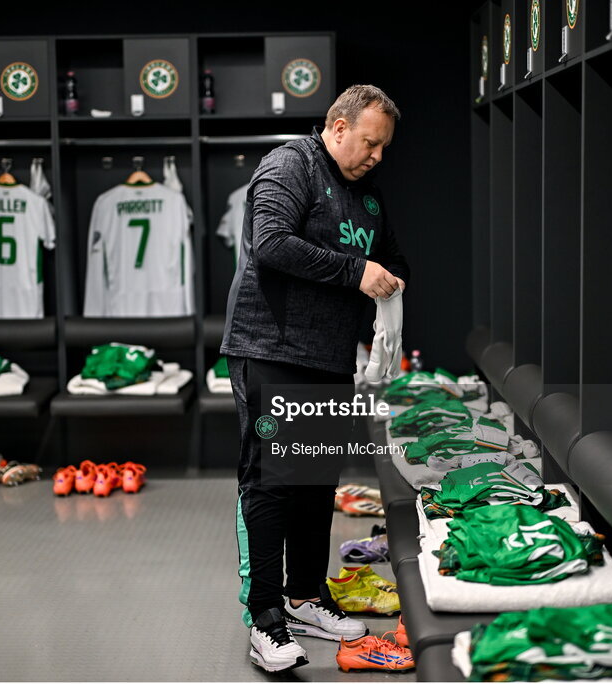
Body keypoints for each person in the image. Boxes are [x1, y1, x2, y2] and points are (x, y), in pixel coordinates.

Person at [220, 84, 409, 672]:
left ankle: (305, 595)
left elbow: (394, 261)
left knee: (314, 481)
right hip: (270, 347)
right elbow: (271, 244)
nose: (376, 156)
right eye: (370, 143)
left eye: (384, 148)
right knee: (273, 483)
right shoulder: (289, 164)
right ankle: (267, 618)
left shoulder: (367, 199)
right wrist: (357, 274)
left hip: (328, 358)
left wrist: (388, 285)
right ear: (337, 125)